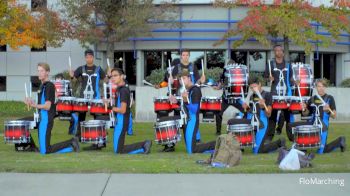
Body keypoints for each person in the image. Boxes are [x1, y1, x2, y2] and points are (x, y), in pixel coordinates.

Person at [24, 63, 80, 154]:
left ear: (47, 73)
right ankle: (71, 144)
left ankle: (71, 142)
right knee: (43, 150)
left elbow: (47, 106)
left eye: (42, 71)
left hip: (46, 119)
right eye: (38, 71)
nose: (39, 73)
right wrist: (31, 102)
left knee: (45, 151)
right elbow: (41, 103)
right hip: (42, 119)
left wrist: (34, 105)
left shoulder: (49, 86)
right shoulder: (42, 86)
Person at [287, 79, 346, 153]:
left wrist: (328, 110)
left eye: (322, 86)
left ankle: (340, 140)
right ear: (316, 87)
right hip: (312, 123)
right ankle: (300, 146)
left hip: (322, 125)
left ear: (325, 87)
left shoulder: (330, 98)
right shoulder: (312, 99)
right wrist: (304, 109)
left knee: (321, 151)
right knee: (290, 126)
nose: (321, 88)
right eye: (318, 86)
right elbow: (306, 113)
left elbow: (334, 116)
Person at [107, 68, 152, 154]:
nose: (113, 78)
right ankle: (144, 145)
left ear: (122, 76)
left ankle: (144, 145)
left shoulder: (123, 90)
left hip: (122, 120)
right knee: (117, 148)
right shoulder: (119, 89)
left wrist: (111, 108)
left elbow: (123, 110)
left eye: (115, 75)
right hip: (120, 120)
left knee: (118, 151)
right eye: (112, 76)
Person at [69, 49, 109, 142]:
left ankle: (99, 136)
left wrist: (109, 75)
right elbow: (74, 81)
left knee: (97, 116)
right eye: (87, 57)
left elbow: (106, 80)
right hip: (83, 97)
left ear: (93, 58)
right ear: (85, 58)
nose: (89, 59)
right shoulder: (81, 69)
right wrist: (71, 76)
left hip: (96, 97)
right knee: (81, 117)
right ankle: (78, 136)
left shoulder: (98, 69)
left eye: (90, 57)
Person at [244, 76, 286, 154]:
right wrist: (246, 108)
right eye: (251, 88)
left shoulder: (267, 95)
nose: (253, 89)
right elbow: (252, 111)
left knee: (257, 151)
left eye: (255, 86)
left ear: (260, 84)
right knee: (256, 149)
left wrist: (263, 107)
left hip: (263, 124)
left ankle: (279, 143)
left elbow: (269, 114)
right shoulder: (252, 96)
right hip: (254, 123)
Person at [180, 70, 216, 154]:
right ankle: (214, 146)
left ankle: (216, 145)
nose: (182, 81)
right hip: (187, 121)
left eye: (184, 78)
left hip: (192, 120)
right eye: (180, 79)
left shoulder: (195, 90)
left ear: (189, 78)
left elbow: (195, 109)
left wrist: (185, 101)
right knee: (191, 149)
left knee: (191, 150)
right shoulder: (188, 90)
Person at [265, 45, 295, 141]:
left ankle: (291, 137)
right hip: (274, 93)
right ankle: (269, 137)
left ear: (283, 52)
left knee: (288, 116)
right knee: (272, 117)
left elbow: (290, 78)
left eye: (280, 50)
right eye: (276, 50)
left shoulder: (288, 64)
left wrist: (294, 82)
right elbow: (265, 75)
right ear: (274, 52)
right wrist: (269, 78)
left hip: (286, 93)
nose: (278, 52)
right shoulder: (271, 63)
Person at [214, 59, 247, 135]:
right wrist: (218, 87)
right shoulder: (225, 71)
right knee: (218, 113)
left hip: (237, 99)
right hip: (226, 98)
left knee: (247, 110)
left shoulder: (239, 74)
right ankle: (218, 131)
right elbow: (221, 82)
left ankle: (245, 128)